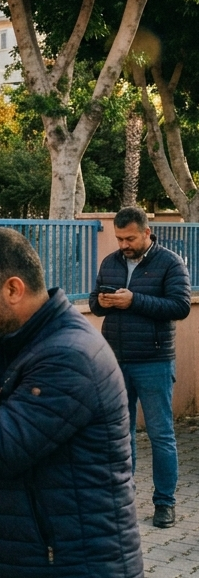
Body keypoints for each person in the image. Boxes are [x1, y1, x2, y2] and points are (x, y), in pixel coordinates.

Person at [0, 228, 142, 576]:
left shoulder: (68, 356)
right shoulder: (24, 342)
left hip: (73, 563)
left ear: (13, 289)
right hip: (43, 556)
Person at [89, 206, 191, 529]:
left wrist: (134, 301)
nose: (123, 244)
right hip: (116, 361)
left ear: (147, 232)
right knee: (122, 433)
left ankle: (165, 503)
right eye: (119, 239)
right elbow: (93, 301)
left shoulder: (170, 263)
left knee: (161, 435)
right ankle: (124, 499)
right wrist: (100, 303)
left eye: (130, 238)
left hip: (154, 362)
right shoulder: (110, 262)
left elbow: (180, 306)